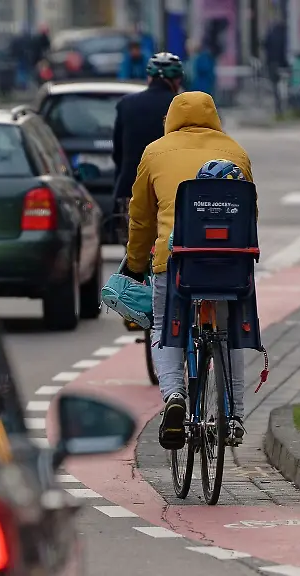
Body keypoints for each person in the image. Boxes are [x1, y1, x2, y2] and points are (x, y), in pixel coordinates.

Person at [120, 92, 254, 450]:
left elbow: (142, 217)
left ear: (170, 118)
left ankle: (174, 396)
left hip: (176, 260)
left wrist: (134, 263)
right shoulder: (235, 151)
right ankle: (235, 415)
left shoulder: (155, 152)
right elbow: (250, 212)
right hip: (231, 262)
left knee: (164, 325)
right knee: (228, 335)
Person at [112, 53, 184, 218]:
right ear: (177, 80)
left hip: (132, 185)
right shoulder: (181, 104)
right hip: (170, 188)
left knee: (134, 239)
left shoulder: (126, 104)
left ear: (149, 77)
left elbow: (118, 152)